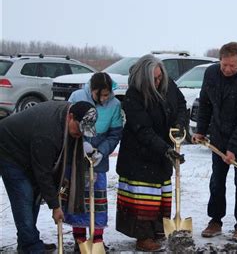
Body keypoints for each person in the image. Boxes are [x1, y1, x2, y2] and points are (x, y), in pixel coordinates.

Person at [0, 100, 97, 253]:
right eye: (79, 128)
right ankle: (31, 246)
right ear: (70, 117)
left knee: (34, 197)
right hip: (9, 151)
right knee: (24, 198)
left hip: (29, 150)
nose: (80, 134)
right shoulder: (48, 133)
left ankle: (27, 242)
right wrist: (55, 206)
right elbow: (43, 173)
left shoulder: (66, 117)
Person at [115, 54, 186, 251]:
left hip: (161, 150)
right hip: (139, 155)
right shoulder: (134, 96)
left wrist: (179, 124)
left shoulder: (167, 84)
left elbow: (180, 104)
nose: (157, 82)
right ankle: (143, 236)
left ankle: (157, 230)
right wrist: (165, 150)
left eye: (159, 78)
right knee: (144, 194)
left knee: (159, 192)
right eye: (153, 79)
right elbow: (143, 130)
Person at [192, 42, 237, 242]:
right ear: (219, 60)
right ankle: (215, 220)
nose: (227, 70)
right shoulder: (211, 74)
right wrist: (202, 130)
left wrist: (233, 148)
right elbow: (205, 103)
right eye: (224, 65)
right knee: (217, 181)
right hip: (219, 136)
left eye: (232, 66)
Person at [63, 72, 123, 249]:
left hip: (98, 158)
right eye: (102, 95)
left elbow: (115, 134)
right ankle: (79, 239)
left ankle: (97, 239)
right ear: (93, 90)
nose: (105, 99)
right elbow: (69, 125)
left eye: (108, 95)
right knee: (78, 198)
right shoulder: (77, 97)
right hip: (76, 155)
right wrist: (80, 146)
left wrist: (101, 151)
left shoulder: (115, 104)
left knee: (97, 200)